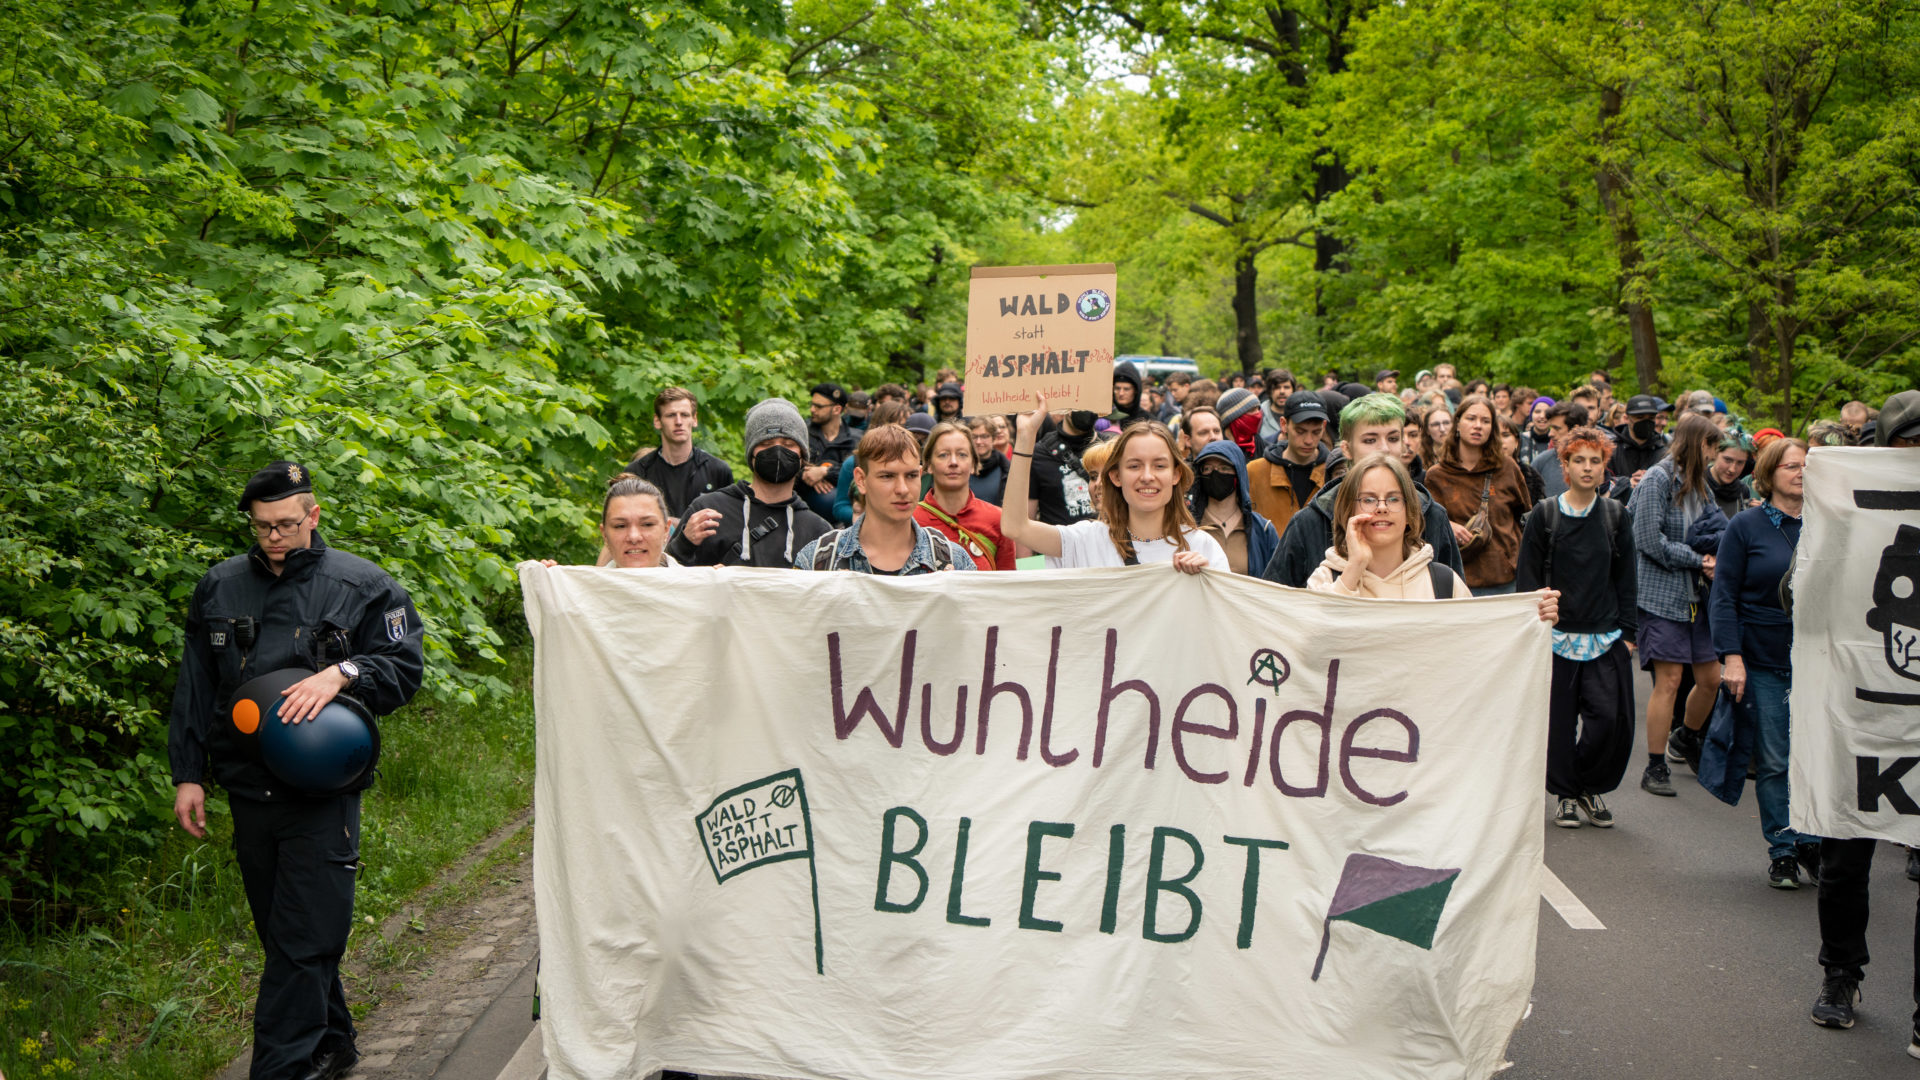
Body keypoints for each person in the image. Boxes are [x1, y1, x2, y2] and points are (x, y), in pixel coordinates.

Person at [168, 462, 425, 1080]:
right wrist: (189, 774)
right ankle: (333, 1043)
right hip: (247, 789)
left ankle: (281, 1070)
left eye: (286, 524)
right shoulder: (219, 587)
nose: (275, 537)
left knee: (304, 940)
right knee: (286, 937)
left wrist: (345, 672)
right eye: (262, 527)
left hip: (321, 794)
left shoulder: (364, 585)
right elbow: (196, 686)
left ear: (313, 515)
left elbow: (405, 669)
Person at [1811, 388, 1920, 1039]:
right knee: (1846, 856)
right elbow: (1798, 591)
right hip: (1860, 709)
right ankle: (1840, 972)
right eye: (1910, 444)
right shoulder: (1849, 509)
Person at [1516, 427, 1638, 830]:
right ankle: (1566, 795)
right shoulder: (1544, 515)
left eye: (1595, 460)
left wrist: (1629, 633)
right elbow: (1528, 580)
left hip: (1604, 636)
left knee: (1607, 720)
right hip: (1555, 635)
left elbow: (1626, 576)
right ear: (1564, 466)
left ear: (1606, 467)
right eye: (1579, 460)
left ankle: (1586, 784)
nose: (1588, 468)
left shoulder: (1616, 516)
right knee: (1558, 723)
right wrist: (1531, 630)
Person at [1708, 436, 1818, 887]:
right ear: (1769, 473)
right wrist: (1731, 657)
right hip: (1763, 657)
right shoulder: (1747, 526)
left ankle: (1815, 840)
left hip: (1820, 660)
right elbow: (1724, 596)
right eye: (1792, 466)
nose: (1800, 473)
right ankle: (1785, 848)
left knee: (1817, 759)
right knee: (1775, 759)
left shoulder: (1828, 523)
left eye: (1806, 466)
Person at [1306, 453, 1562, 622]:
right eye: (1369, 499)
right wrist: (1353, 570)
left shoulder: (1444, 584)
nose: (1381, 507)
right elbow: (1308, 648)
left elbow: (1479, 648)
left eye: (1394, 498)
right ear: (1349, 509)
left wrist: (1530, 616)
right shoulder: (1326, 580)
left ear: (1410, 513)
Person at [1263, 394, 1466, 588]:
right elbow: (1275, 602)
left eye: (1393, 438)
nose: (1384, 448)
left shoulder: (1431, 515)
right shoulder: (1311, 521)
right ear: (1347, 449)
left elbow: (1452, 605)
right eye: (1370, 440)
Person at [1003, 399, 1228, 572]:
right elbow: (1015, 527)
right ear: (1116, 477)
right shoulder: (1086, 540)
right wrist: (1025, 436)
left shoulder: (1203, 547)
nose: (1147, 476)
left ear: (1176, 475)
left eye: (1159, 466)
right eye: (1134, 466)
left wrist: (1207, 582)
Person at [1628, 413, 1725, 797]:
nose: (1715, 456)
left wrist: (1718, 556)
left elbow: (1716, 527)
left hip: (1698, 596)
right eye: (1711, 447)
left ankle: (1686, 736)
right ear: (1696, 443)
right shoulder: (1658, 479)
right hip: (1661, 593)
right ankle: (1655, 765)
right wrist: (1699, 560)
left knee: (1711, 678)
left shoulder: (1701, 485)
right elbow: (1648, 540)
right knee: (1668, 681)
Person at [669, 398, 833, 567]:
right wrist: (684, 544)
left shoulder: (819, 532)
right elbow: (665, 578)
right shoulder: (708, 513)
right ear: (751, 453)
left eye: (788, 444)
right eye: (766, 444)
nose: (777, 451)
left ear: (802, 455)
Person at [796, 425, 976, 574]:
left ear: (921, 475)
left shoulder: (953, 560)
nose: (903, 489)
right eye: (887, 476)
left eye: (911, 475)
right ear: (861, 480)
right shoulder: (819, 560)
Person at [1424, 394, 1535, 596]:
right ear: (1457, 424)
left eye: (1485, 421)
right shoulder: (1437, 476)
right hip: (1459, 581)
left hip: (1506, 580)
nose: (1478, 426)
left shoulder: (1507, 467)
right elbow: (1427, 530)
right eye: (1471, 418)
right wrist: (1449, 526)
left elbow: (1525, 517)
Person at [620, 387, 734, 520]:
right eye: (671, 415)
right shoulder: (637, 472)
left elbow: (730, 526)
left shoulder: (718, 471)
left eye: (685, 415)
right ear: (657, 421)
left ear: (694, 419)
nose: (679, 422)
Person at [915, 421, 1013, 571]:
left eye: (962, 454)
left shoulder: (998, 520)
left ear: (973, 464)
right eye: (943, 455)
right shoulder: (911, 521)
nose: (953, 462)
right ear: (929, 465)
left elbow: (1008, 586)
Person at [1247, 391, 1332, 538]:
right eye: (1300, 431)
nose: (1308, 440)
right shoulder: (1254, 472)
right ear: (1284, 424)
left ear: (1324, 427)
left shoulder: (1334, 472)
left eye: (1316, 432)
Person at [1189, 439, 1280, 576]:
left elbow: (1276, 581)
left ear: (1238, 473)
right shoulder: (1186, 526)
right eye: (1207, 468)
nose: (1215, 473)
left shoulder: (1263, 530)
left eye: (1224, 468)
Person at [560, 476, 679, 569]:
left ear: (666, 530)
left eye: (647, 524)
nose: (634, 537)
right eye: (620, 526)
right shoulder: (581, 591)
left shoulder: (693, 591)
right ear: (605, 535)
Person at [1025, 406, 1103, 529]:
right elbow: (1027, 520)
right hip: (1057, 545)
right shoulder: (1039, 454)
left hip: (1104, 544)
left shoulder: (1110, 447)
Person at [801, 383, 857, 519]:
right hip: (803, 510)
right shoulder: (802, 432)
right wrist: (805, 473)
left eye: (819, 406)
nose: (812, 409)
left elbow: (859, 473)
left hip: (841, 517)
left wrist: (824, 472)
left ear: (837, 409)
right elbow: (789, 463)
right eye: (812, 404)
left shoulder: (855, 439)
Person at [1611, 394, 1671, 497]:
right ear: (1626, 418)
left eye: (1651, 418)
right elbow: (1600, 482)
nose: (1646, 422)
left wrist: (1651, 479)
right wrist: (1627, 482)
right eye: (1640, 417)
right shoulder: (1612, 450)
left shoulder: (1665, 454)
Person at [1529, 401, 1591, 500]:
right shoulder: (1541, 462)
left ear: (1575, 430)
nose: (1550, 434)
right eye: (1550, 428)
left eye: (1556, 429)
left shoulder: (1597, 462)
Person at [1500, 416, 1547, 505]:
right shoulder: (1479, 472)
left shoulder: (1531, 477)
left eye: (1505, 435)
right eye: (1494, 436)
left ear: (1516, 441)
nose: (1500, 441)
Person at [1708, 431, 1755, 520]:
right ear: (1715, 453)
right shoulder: (1697, 484)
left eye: (1740, 463)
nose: (1732, 469)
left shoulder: (1742, 491)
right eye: (1727, 460)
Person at [966, 416, 1009, 505]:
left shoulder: (1005, 468)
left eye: (984, 436)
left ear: (993, 439)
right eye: (974, 437)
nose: (978, 441)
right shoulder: (961, 466)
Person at [1216, 386, 1264, 457]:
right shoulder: (1219, 448)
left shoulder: (1256, 440)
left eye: (1258, 409)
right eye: (1252, 410)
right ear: (1234, 418)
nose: (1258, 415)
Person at [1110, 361, 1152, 428]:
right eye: (1117, 388)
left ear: (1136, 391)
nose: (1121, 393)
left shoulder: (1147, 421)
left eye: (1126, 389)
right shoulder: (1105, 418)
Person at [1518, 396, 1555, 461]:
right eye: (1537, 411)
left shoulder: (1557, 442)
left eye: (1547, 412)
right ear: (1531, 415)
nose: (1542, 416)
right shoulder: (1519, 439)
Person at [1420, 404, 1453, 468]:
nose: (1442, 429)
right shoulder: (1420, 460)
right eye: (1436, 424)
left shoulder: (1464, 454)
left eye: (1446, 423)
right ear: (1427, 430)